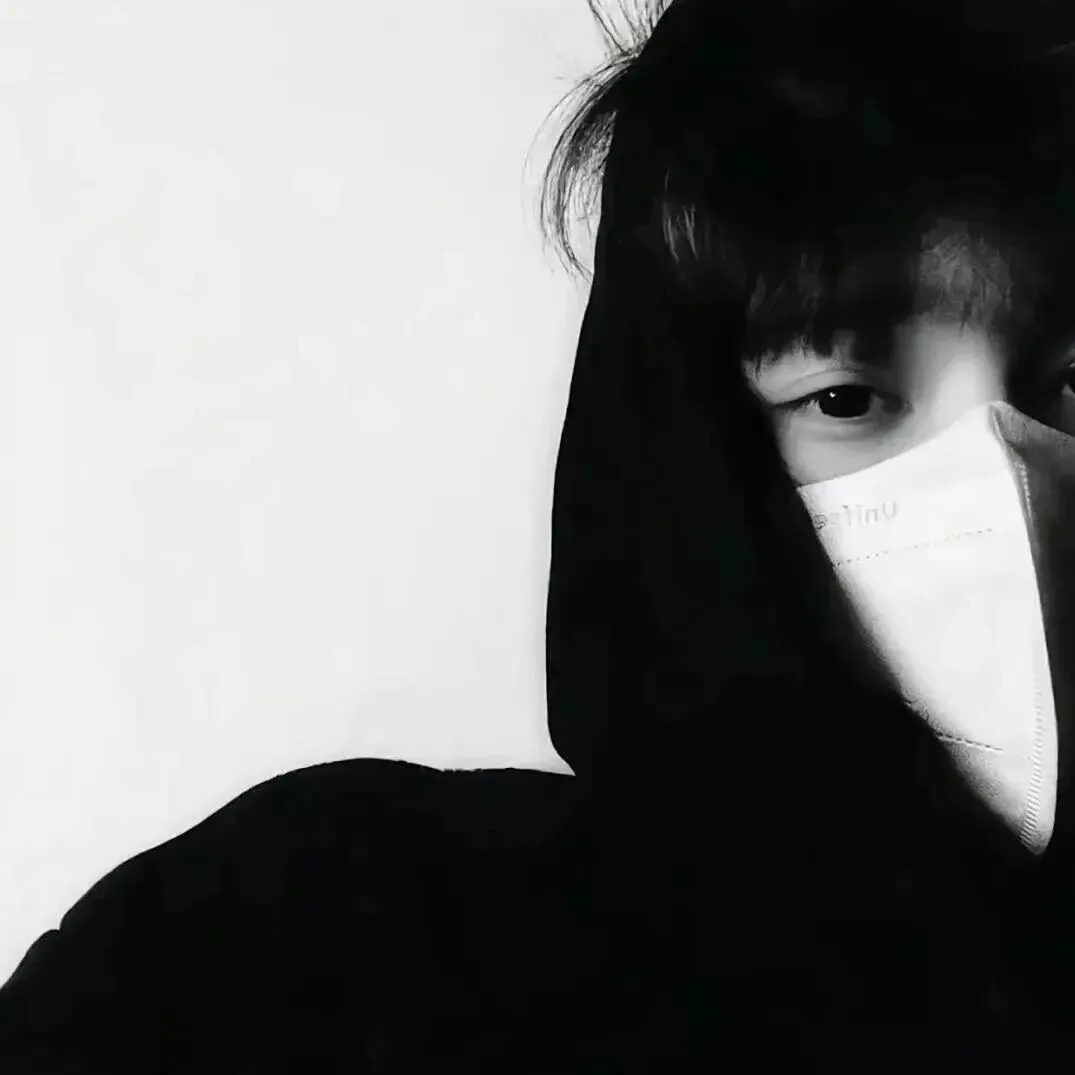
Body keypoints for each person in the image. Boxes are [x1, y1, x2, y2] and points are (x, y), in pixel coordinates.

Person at [4, 0, 1075, 1068]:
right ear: (689, 434)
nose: (1003, 478)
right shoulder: (305, 950)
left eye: (1070, 382)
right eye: (843, 398)